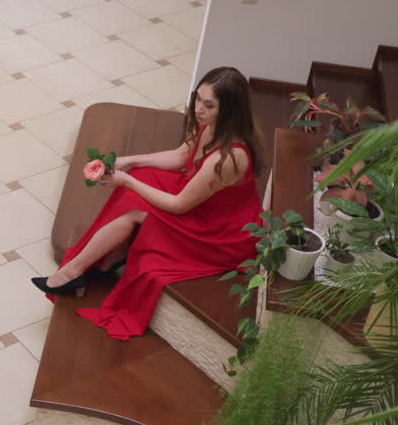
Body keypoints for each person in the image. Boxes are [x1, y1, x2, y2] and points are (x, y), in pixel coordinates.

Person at [32, 66, 264, 340]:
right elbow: (181, 157)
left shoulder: (228, 158)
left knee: (135, 204)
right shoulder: (210, 125)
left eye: (208, 105)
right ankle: (106, 260)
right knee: (141, 177)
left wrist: (127, 181)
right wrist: (130, 162)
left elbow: (179, 205)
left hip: (217, 232)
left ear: (229, 111)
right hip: (200, 203)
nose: (199, 108)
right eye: (198, 99)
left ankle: (74, 271)